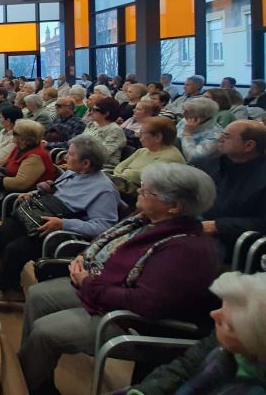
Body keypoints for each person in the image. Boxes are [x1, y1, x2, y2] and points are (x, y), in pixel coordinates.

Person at [18, 163, 220, 395]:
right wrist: (84, 259)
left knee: (45, 331)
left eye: (146, 191)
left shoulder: (186, 249)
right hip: (105, 288)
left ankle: (24, 384)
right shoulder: (144, 220)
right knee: (38, 295)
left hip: (136, 323)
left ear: (174, 207)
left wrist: (88, 283)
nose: (138, 193)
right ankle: (37, 379)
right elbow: (106, 244)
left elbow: (146, 303)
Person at [0, 135, 120, 303]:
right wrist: (34, 193)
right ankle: (11, 282)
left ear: (86, 163)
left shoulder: (104, 190)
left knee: (15, 249)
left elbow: (103, 226)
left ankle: (4, 285)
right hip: (45, 215)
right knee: (4, 232)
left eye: (71, 154)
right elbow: (56, 191)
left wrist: (63, 224)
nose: (66, 157)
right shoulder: (73, 173)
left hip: (62, 230)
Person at [124, 271, 266, 395]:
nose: (213, 314)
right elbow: (185, 366)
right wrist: (144, 392)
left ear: (250, 343)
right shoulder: (221, 342)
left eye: (226, 323)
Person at [0, 119, 58, 272]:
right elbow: (2, 164)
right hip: (8, 188)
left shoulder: (36, 156)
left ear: (25, 137)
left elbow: (21, 183)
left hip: (23, 197)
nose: (12, 135)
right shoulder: (19, 148)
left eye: (15, 133)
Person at [193, 120, 266, 262]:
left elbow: (262, 222)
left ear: (249, 145)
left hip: (225, 238)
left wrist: (218, 225)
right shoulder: (207, 162)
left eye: (226, 136)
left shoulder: (262, 178)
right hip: (192, 222)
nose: (220, 139)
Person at [110, 117, 186, 201]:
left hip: (140, 197)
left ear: (158, 137)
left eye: (142, 132)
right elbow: (119, 167)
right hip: (121, 187)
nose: (138, 135)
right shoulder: (142, 151)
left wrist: (126, 172)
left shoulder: (171, 158)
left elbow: (143, 177)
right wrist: (125, 174)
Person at [83, 97, 127, 169]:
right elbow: (79, 143)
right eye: (91, 110)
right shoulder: (92, 124)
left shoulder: (115, 130)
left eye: (95, 110)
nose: (90, 113)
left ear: (106, 113)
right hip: (84, 162)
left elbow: (103, 153)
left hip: (103, 166)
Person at [176, 97, 222, 163]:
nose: (183, 114)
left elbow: (192, 158)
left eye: (187, 112)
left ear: (203, 116)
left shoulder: (215, 136)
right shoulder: (185, 121)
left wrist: (187, 135)